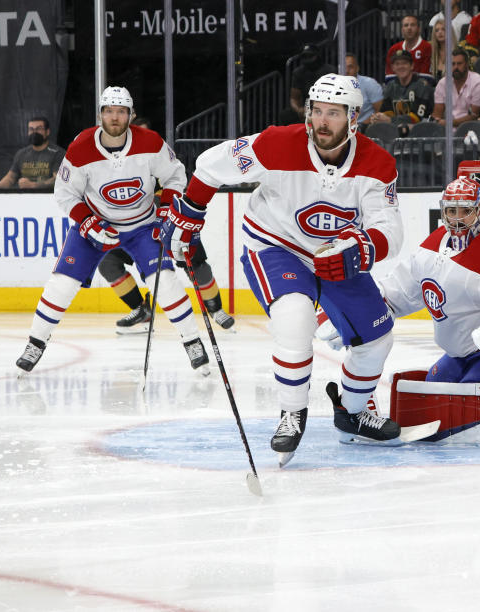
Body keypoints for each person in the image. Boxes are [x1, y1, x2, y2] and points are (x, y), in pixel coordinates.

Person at [158, 74, 405, 463]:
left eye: (334, 114)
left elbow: (389, 227)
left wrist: (357, 249)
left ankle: (353, 412)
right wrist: (190, 215)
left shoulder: (377, 162)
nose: (322, 121)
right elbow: (211, 165)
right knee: (295, 316)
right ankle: (292, 412)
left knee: (378, 340)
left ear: (353, 119)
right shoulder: (276, 144)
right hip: (276, 246)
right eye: (317, 111)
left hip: (335, 254)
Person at [15, 86, 210, 375]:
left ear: (131, 115)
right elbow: (65, 193)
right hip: (95, 225)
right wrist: (88, 223)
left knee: (165, 282)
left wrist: (168, 207)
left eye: (121, 111)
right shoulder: (81, 146)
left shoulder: (151, 142)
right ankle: (35, 344)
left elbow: (175, 176)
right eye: (109, 111)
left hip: (143, 225)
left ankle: (193, 342)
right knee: (61, 285)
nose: (114, 117)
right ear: (100, 115)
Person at [319, 177, 480, 386]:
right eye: (452, 211)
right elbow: (400, 292)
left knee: (469, 394)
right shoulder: (434, 246)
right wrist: (357, 311)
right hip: (456, 355)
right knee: (432, 388)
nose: (457, 219)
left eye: (466, 211)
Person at [97, 117, 235, 334]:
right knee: (108, 262)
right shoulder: (114, 163)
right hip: (134, 231)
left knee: (195, 262)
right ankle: (141, 310)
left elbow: (177, 184)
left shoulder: (158, 156)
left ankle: (216, 310)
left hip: (169, 224)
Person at [0, 116, 65, 189]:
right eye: (31, 129)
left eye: (39, 129)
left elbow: (59, 180)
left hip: (49, 197)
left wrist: (34, 185)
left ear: (47, 132)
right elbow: (11, 178)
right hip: (25, 197)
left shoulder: (58, 153)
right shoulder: (21, 154)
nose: (34, 132)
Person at [374, 50, 436, 131]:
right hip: (396, 131)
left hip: (421, 132)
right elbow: (387, 111)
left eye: (404, 63)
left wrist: (390, 120)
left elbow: (417, 117)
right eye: (397, 64)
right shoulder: (391, 86)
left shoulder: (422, 86)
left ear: (412, 66)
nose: (401, 66)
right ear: (393, 67)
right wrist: (379, 117)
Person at [432, 50, 480, 127]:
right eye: (453, 64)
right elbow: (437, 113)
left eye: (459, 64)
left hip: (471, 128)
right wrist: (437, 122)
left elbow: (474, 115)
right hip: (447, 130)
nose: (456, 67)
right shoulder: (443, 83)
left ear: (467, 65)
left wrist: (450, 123)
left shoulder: (478, 82)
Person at [385, 14, 433, 82]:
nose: (409, 28)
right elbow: (389, 77)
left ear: (419, 29)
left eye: (412, 25)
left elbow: (426, 77)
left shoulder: (427, 47)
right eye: (406, 25)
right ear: (402, 30)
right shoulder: (393, 49)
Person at [345, 53, 383, 126]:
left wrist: (364, 124)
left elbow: (380, 111)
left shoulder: (370, 84)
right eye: (344, 67)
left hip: (366, 127)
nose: (346, 71)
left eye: (350, 67)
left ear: (357, 68)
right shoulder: (334, 85)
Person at [429, 18, 449, 82]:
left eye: (443, 29)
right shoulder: (431, 52)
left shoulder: (457, 51)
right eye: (437, 30)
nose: (440, 32)